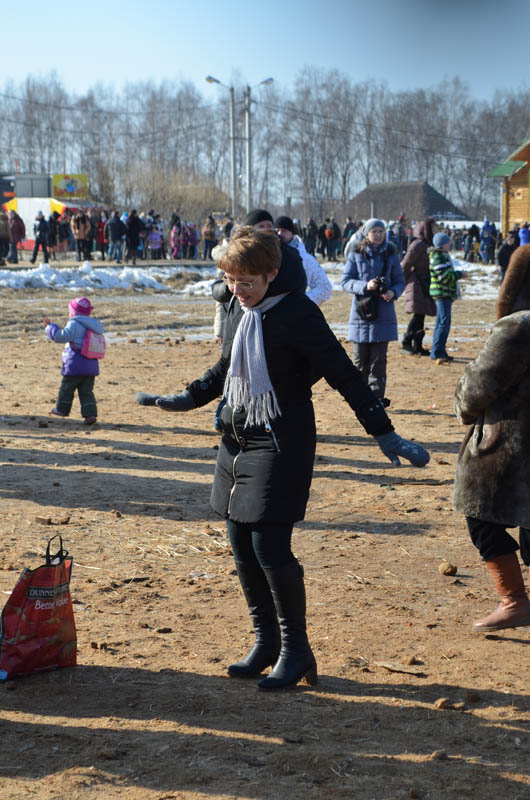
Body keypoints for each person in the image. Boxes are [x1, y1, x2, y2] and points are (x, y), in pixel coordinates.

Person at [135, 227, 429, 691]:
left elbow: (344, 374)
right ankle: (266, 643)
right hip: (236, 438)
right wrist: (187, 398)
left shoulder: (298, 313)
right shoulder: (239, 307)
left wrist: (384, 432)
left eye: (247, 282)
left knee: (269, 546)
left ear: (272, 273)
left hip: (280, 441)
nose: (237, 290)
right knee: (240, 543)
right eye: (231, 280)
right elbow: (226, 366)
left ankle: (296, 650)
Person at [453, 243, 530, 631]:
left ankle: (513, 601)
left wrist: (462, 405)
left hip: (510, 451)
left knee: (481, 518)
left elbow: (476, 389)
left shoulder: (518, 328)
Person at [341, 218, 405, 406]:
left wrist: (393, 292)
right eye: (374, 231)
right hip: (361, 313)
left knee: (379, 361)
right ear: (366, 234)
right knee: (359, 362)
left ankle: (376, 400)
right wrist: (365, 286)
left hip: (383, 313)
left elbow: (400, 281)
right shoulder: (355, 253)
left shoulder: (391, 254)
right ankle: (359, 399)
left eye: (381, 231)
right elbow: (345, 282)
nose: (378, 235)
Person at [43, 297, 104, 425]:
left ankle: (62, 409)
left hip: (75, 364)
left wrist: (50, 327)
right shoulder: (94, 325)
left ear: (73, 313)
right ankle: (90, 415)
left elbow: (60, 337)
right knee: (86, 392)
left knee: (66, 388)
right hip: (91, 365)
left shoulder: (74, 324)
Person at [275, 215, 333, 306]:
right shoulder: (268, 256)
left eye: (284, 230)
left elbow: (325, 288)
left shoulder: (304, 258)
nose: (280, 234)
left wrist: (300, 303)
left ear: (292, 234)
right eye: (277, 230)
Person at [400, 217, 437, 355]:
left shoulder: (428, 244)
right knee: (418, 315)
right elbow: (406, 263)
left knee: (421, 315)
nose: (434, 230)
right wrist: (401, 282)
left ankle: (417, 345)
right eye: (432, 227)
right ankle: (406, 343)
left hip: (425, 282)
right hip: (417, 283)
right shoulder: (418, 244)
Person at [429, 232, 466, 365]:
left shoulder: (442, 256)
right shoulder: (438, 257)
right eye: (447, 242)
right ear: (442, 244)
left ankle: (438, 350)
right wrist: (459, 274)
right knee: (444, 323)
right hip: (442, 293)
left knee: (441, 322)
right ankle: (437, 352)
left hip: (444, 293)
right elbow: (444, 277)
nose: (450, 244)